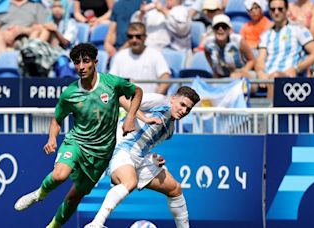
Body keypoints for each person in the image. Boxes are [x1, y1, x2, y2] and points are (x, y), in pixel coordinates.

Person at [14, 43, 143, 228]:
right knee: (60, 175)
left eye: (86, 61)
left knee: (74, 197)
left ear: (95, 62)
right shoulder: (70, 93)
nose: (81, 67)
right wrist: (52, 139)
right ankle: (39, 194)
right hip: (77, 143)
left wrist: (130, 117)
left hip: (101, 154)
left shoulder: (112, 83)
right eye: (77, 62)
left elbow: (137, 92)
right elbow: (57, 119)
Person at [84, 86, 201, 228]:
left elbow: (143, 146)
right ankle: (96, 224)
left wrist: (153, 158)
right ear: (173, 99)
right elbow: (122, 99)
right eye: (182, 105)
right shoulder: (158, 101)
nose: (184, 111)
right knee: (129, 182)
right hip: (119, 147)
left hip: (138, 158)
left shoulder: (169, 129)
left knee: (175, 189)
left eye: (188, 109)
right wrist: (143, 117)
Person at [255, 0, 314, 98]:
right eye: (273, 9)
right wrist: (260, 72)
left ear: (286, 10)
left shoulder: (298, 29)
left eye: (280, 9)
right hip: (267, 75)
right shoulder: (266, 34)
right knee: (238, 77)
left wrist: (297, 68)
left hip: (285, 75)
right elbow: (260, 60)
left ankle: (269, 113)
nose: (276, 12)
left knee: (275, 78)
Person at [109, 22, 171, 94]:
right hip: (126, 102)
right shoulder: (120, 56)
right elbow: (111, 80)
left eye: (138, 36)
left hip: (149, 102)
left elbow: (165, 78)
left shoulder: (155, 54)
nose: (134, 40)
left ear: (145, 37)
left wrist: (156, 97)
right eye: (130, 36)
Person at [205, 14, 255, 78]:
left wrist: (243, 72)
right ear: (213, 30)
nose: (220, 29)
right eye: (217, 27)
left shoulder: (238, 40)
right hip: (222, 76)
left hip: (241, 74)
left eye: (224, 26)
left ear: (229, 29)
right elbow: (207, 53)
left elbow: (252, 60)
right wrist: (215, 70)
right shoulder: (209, 43)